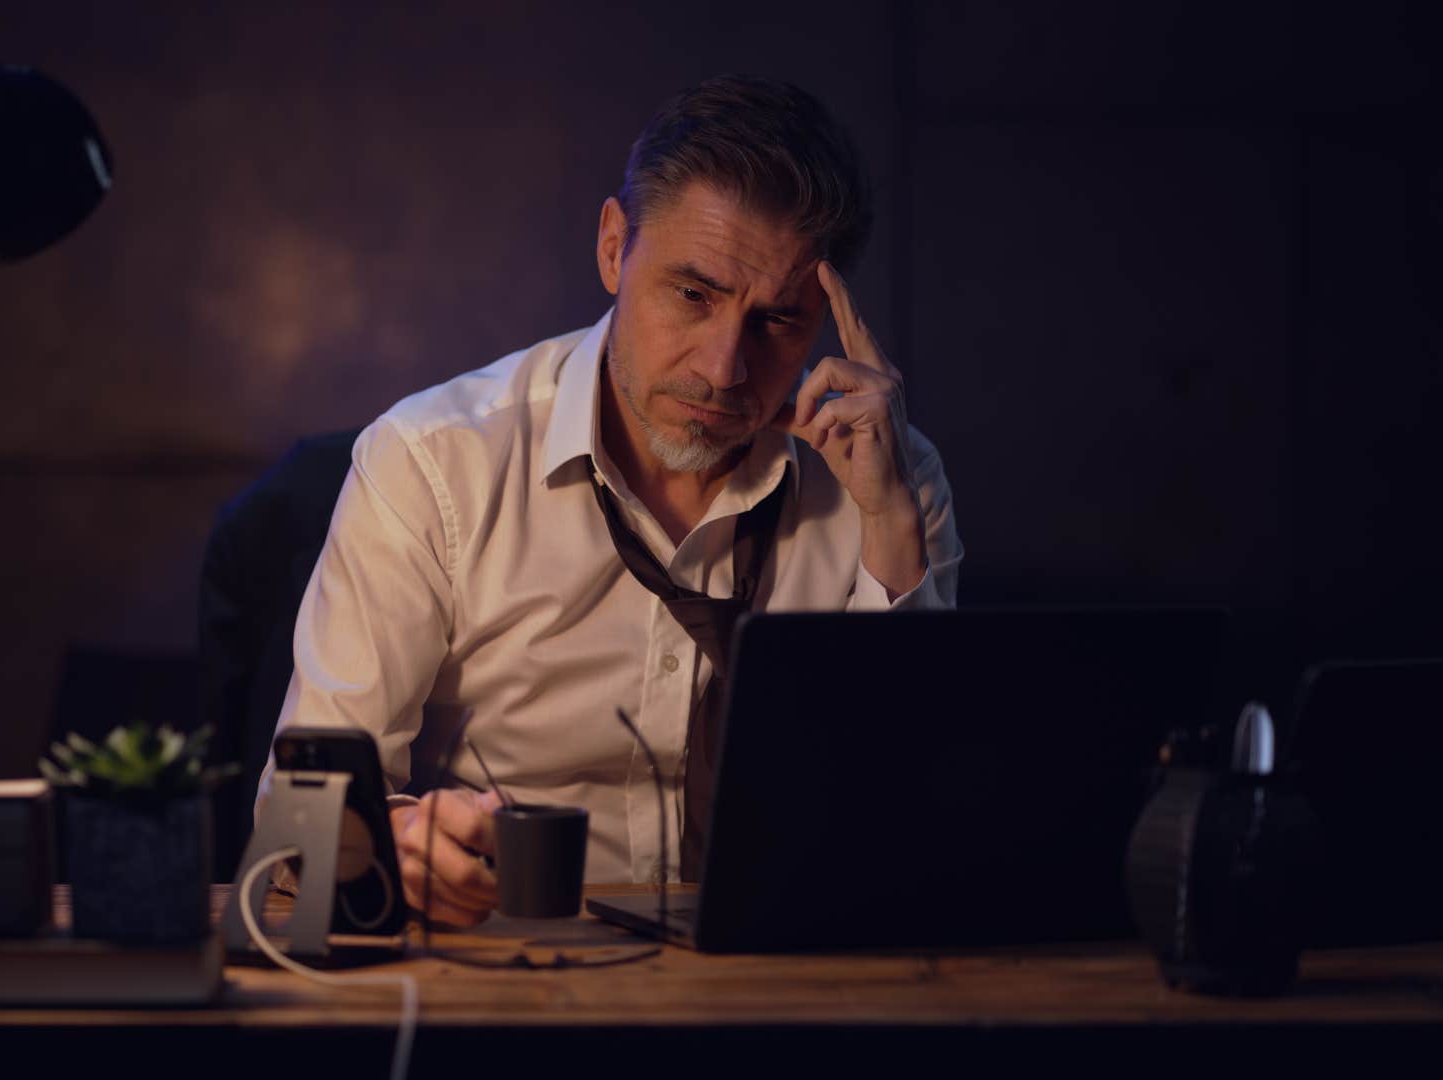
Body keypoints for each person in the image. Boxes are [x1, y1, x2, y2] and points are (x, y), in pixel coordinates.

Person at [258, 74, 962, 927]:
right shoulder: (432, 462)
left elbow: (911, 807)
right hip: (508, 964)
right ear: (611, 247)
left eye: (778, 322)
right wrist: (400, 842)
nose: (722, 367)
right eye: (693, 295)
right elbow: (297, 823)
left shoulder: (889, 478)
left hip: (791, 968)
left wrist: (889, 526)